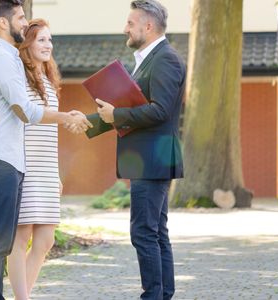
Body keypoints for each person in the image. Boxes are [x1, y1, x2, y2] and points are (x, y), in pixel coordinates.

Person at [0, 1, 91, 299]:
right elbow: (24, 110)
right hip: (1, 159)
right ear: (2, 23)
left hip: (13, 161)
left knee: (3, 241)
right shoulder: (2, 59)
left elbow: (0, 102)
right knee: (0, 241)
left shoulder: (8, 58)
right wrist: (65, 118)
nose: (25, 22)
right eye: (21, 17)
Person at [87, 1, 186, 299]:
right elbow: (132, 107)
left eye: (130, 23)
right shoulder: (147, 59)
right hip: (149, 159)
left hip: (152, 160)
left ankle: (153, 295)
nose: (125, 29)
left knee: (143, 232)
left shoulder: (165, 59)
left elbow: (160, 111)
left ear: (148, 26)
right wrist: (87, 122)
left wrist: (116, 115)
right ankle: (162, 294)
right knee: (155, 231)